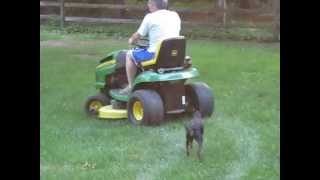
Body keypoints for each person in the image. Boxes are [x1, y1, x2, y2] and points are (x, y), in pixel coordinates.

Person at [119, 0, 181, 95]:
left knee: (129, 55)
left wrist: (131, 40)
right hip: (174, 55)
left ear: (153, 5)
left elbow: (138, 35)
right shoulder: (175, 15)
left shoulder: (150, 17)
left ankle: (131, 86)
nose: (148, 5)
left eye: (148, 3)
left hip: (155, 55)